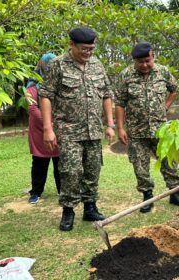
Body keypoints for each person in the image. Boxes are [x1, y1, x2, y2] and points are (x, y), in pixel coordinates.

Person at [39, 27, 115, 231]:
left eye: (91, 49)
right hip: (68, 129)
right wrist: (48, 128)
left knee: (93, 169)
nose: (88, 53)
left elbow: (107, 94)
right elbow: (45, 95)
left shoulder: (97, 65)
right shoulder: (57, 65)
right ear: (71, 44)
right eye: (84, 49)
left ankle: (90, 207)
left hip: (94, 130)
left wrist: (110, 124)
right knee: (70, 171)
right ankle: (68, 210)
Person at [114, 42, 179, 213]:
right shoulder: (125, 75)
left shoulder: (162, 71)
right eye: (140, 62)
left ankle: (175, 193)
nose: (145, 65)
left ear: (153, 56)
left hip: (161, 129)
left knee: (169, 162)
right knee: (140, 165)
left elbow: (175, 89)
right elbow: (119, 102)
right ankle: (147, 196)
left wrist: (165, 106)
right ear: (134, 61)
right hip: (136, 130)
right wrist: (120, 128)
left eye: (148, 60)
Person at [26, 53, 60, 204]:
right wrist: (49, 124)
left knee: (60, 163)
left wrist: (57, 124)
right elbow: (33, 109)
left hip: (58, 128)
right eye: (48, 65)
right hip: (40, 131)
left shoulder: (60, 85)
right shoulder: (31, 88)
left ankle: (63, 191)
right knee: (39, 163)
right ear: (41, 66)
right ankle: (36, 192)